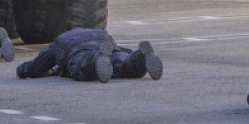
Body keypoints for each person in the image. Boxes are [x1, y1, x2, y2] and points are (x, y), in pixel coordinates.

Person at [16, 28, 163, 83]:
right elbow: (122, 50)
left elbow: (36, 66)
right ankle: (141, 59)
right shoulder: (97, 31)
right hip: (105, 40)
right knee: (122, 62)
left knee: (82, 67)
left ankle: (95, 59)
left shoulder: (60, 42)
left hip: (78, 50)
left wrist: (23, 70)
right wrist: (132, 54)